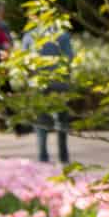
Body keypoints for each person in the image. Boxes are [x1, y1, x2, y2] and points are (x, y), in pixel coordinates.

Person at [24, 16, 74, 166]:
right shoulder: (62, 35)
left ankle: (42, 157)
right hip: (60, 83)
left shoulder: (29, 36)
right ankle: (63, 158)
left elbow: (25, 62)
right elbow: (69, 58)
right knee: (62, 122)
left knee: (41, 122)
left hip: (39, 84)